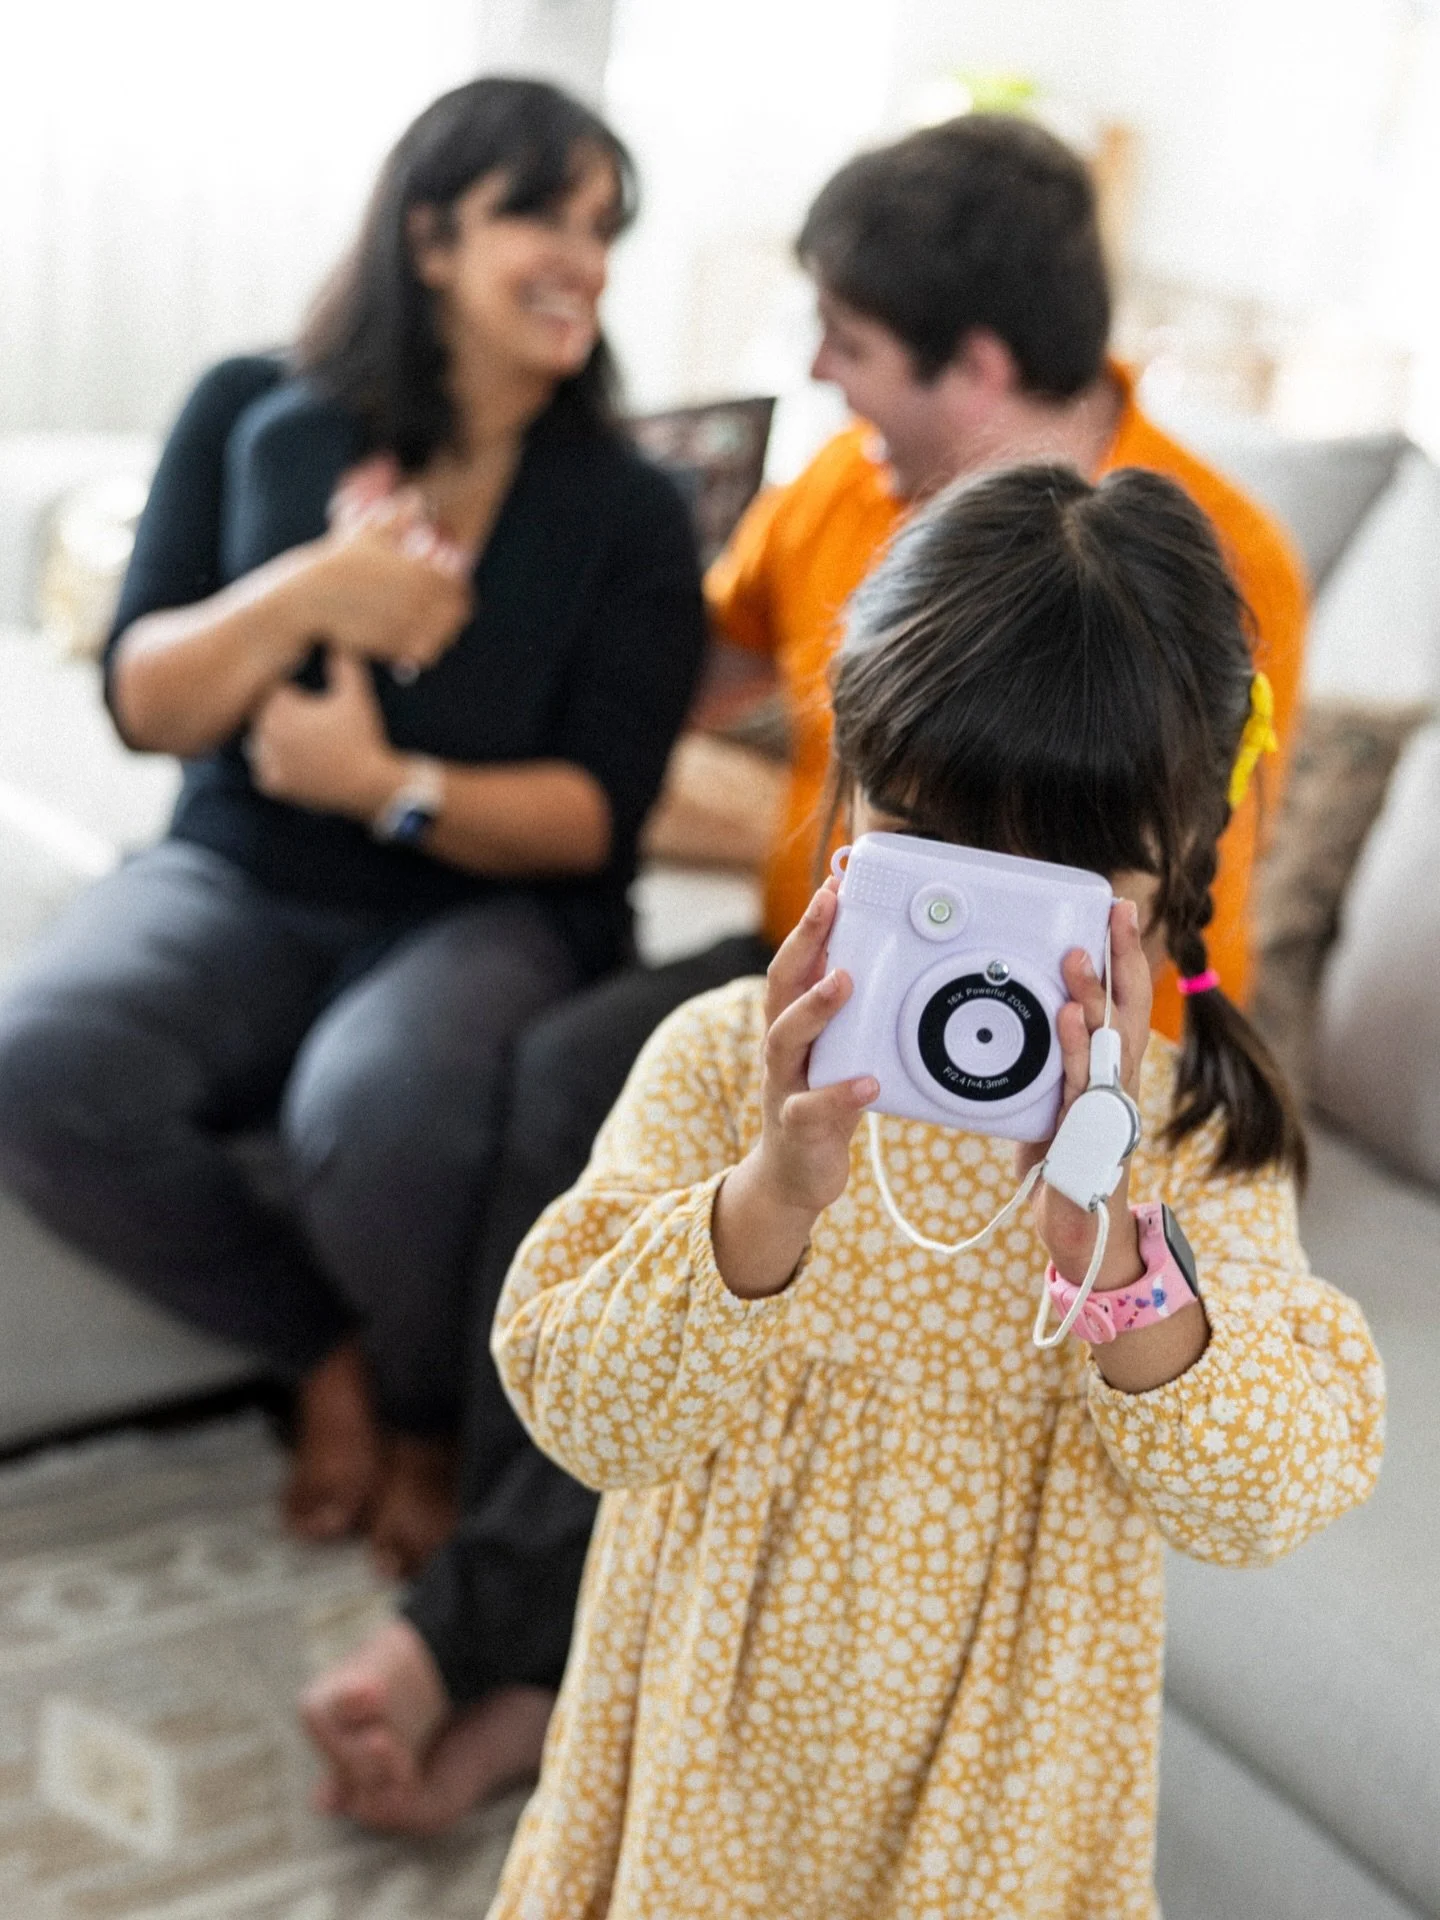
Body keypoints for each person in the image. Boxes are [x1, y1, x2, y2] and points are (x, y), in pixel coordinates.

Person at [300, 111, 1307, 1830]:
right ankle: (516, 1630)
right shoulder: (846, 493)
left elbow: (1185, 906)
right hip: (804, 984)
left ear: (975, 363)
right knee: (561, 1078)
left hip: (1091, 1057)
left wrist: (1118, 1194)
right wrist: (447, 614)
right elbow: (686, 661)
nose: (828, 378)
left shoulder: (1201, 571)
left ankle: (484, 1643)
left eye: (852, 343)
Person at [483, 463, 1383, 1917]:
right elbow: (581, 1408)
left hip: (997, 1810)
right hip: (703, 1779)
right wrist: (768, 1198)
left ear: (1176, 868)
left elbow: (1265, 1496)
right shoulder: (727, 1067)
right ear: (848, 805)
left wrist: (1112, 1265)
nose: (995, 965)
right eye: (941, 874)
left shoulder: (1193, 1140)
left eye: (1067, 889)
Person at [0, 78, 706, 1575]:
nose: (582, 255)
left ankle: (429, 1414)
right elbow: (147, 701)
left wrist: (383, 784)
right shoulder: (251, 410)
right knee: (40, 1059)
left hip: (484, 910)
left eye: (604, 227)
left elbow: (598, 818)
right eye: (543, 213)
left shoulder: (631, 508)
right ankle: (321, 1352)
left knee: (377, 1113)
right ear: (433, 232)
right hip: (243, 873)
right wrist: (307, 594)